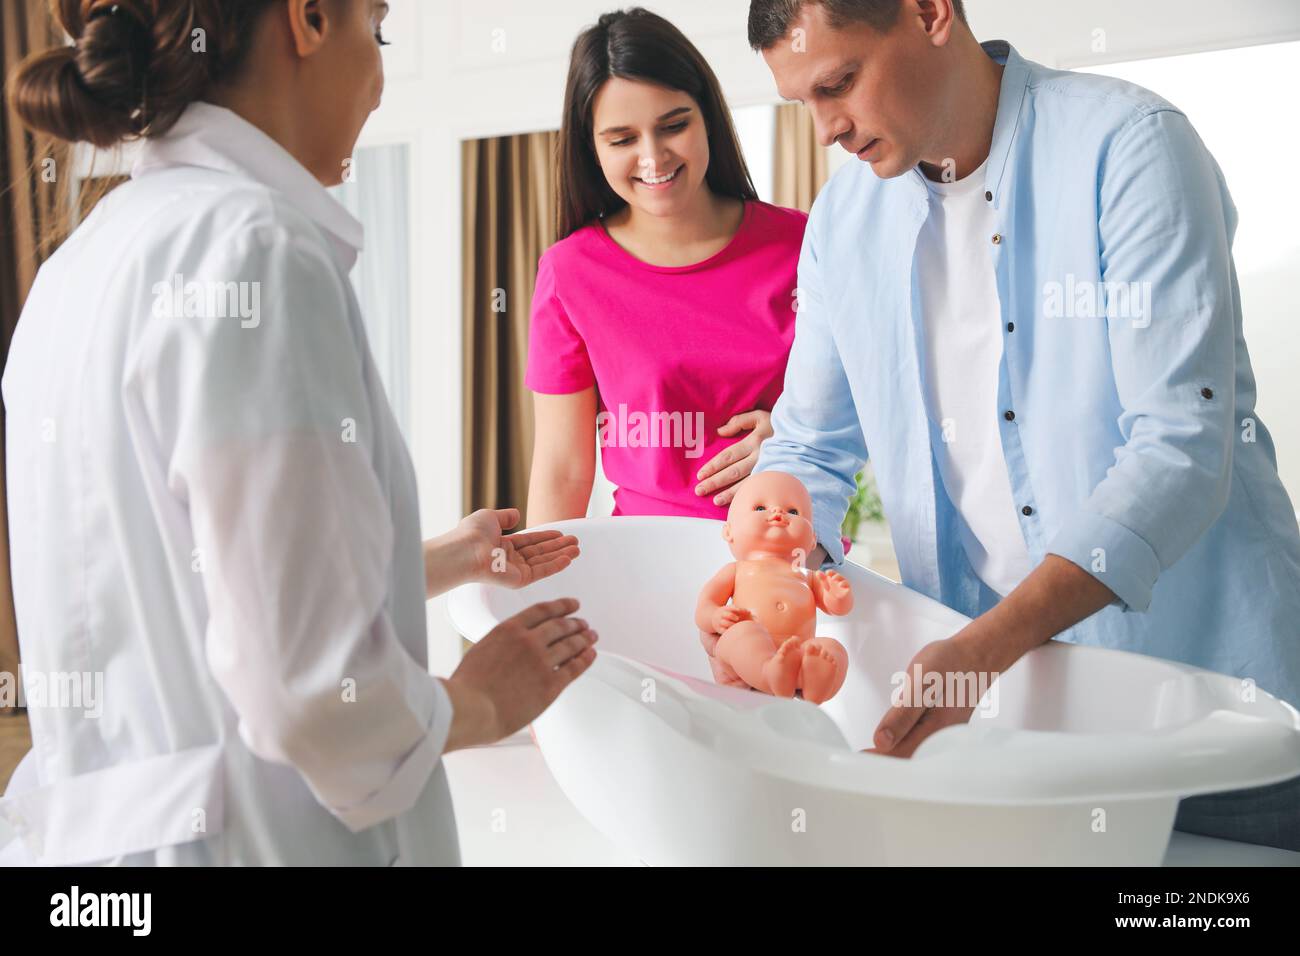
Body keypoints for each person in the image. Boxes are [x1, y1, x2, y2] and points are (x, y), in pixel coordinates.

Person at [0, 0, 594, 866]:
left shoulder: (79, 265)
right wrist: (478, 703)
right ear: (309, 18)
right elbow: (306, 690)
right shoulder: (253, 249)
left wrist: (438, 560)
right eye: (379, 30)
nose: (382, 84)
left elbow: (197, 573)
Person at [748, 0, 1300, 850]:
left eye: (840, 84)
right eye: (804, 104)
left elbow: (1180, 446)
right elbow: (810, 447)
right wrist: (767, 561)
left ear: (931, 13)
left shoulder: (1130, 147)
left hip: (1214, 715)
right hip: (1015, 730)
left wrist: (988, 647)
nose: (826, 130)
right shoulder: (842, 225)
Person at [525, 7, 808, 526]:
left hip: (789, 557)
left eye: (673, 125)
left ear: (708, 117)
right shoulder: (570, 273)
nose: (653, 157)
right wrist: (545, 600)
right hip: (646, 563)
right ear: (592, 148)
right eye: (622, 139)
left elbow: (873, 408)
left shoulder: (803, 244)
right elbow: (562, 471)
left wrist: (797, 433)